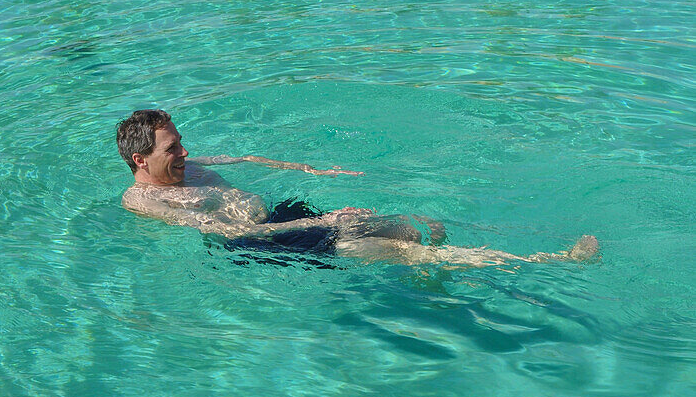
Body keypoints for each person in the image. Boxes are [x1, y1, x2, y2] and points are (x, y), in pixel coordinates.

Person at [116, 110, 599, 266]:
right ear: (141, 161)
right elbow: (229, 235)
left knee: (417, 227)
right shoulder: (145, 199)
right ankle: (547, 264)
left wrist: (315, 172)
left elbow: (246, 159)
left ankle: (428, 281)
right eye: (172, 150)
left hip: (284, 217)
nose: (184, 153)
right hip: (266, 245)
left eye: (181, 144)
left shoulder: (189, 165)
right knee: (406, 250)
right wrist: (325, 221)